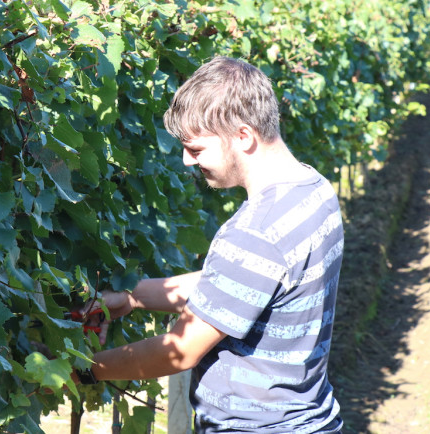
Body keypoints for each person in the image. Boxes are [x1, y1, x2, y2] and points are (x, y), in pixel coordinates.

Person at [75, 56, 344, 433]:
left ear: (244, 136)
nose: (187, 160)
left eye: (197, 149)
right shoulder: (315, 191)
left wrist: (83, 370)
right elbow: (236, 282)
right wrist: (133, 297)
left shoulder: (256, 232)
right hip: (309, 418)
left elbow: (180, 349)